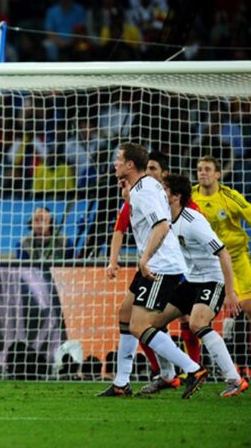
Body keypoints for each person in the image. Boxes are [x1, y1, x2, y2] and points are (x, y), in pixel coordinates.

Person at [99, 143, 207, 399]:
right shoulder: (142, 187)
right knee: (125, 312)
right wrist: (128, 197)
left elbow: (161, 226)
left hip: (160, 266)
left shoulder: (144, 191)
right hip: (156, 263)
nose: (115, 163)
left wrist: (144, 259)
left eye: (119, 159)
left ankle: (194, 369)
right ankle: (121, 384)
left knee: (140, 325)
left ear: (129, 165)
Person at [142, 174, 247, 397]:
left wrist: (230, 292)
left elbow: (224, 253)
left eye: (165, 190)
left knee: (198, 324)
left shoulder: (193, 221)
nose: (161, 193)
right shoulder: (165, 221)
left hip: (212, 279)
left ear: (176, 196)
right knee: (151, 323)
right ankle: (168, 375)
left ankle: (235, 379)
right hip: (190, 280)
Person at [192, 156, 251, 376]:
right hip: (207, 264)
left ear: (218, 174)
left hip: (236, 260)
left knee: (247, 306)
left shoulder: (229, 196)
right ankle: (199, 367)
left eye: (207, 169)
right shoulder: (192, 198)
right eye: (199, 169)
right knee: (195, 318)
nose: (202, 173)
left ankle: (243, 366)